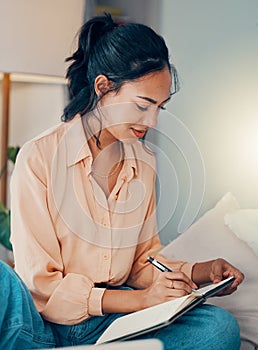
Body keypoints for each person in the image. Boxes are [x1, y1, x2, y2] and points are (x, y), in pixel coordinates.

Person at [0, 13, 244, 349]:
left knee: (218, 327)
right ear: (103, 87)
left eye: (160, 107)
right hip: (60, 321)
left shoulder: (143, 162)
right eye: (143, 105)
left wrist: (201, 271)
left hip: (122, 314)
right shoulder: (39, 158)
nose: (153, 121)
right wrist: (142, 302)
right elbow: (42, 286)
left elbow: (143, 262)